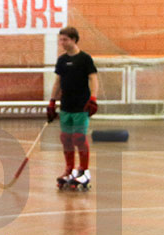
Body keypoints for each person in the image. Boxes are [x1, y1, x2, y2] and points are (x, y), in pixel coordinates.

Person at [48, 26, 98, 190]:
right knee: (66, 139)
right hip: (66, 106)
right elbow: (58, 82)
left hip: (81, 106)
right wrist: (52, 102)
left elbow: (93, 79)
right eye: (60, 39)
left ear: (74, 40)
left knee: (79, 138)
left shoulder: (85, 59)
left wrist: (93, 99)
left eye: (65, 40)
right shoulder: (62, 60)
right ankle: (69, 170)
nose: (61, 42)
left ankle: (83, 172)